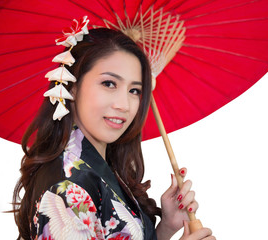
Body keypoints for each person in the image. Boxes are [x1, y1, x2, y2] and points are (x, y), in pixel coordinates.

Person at [12, 20, 215, 240]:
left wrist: (166, 227)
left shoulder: (101, 166)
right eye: (109, 84)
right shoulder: (68, 189)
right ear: (72, 86)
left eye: (135, 90)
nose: (124, 105)